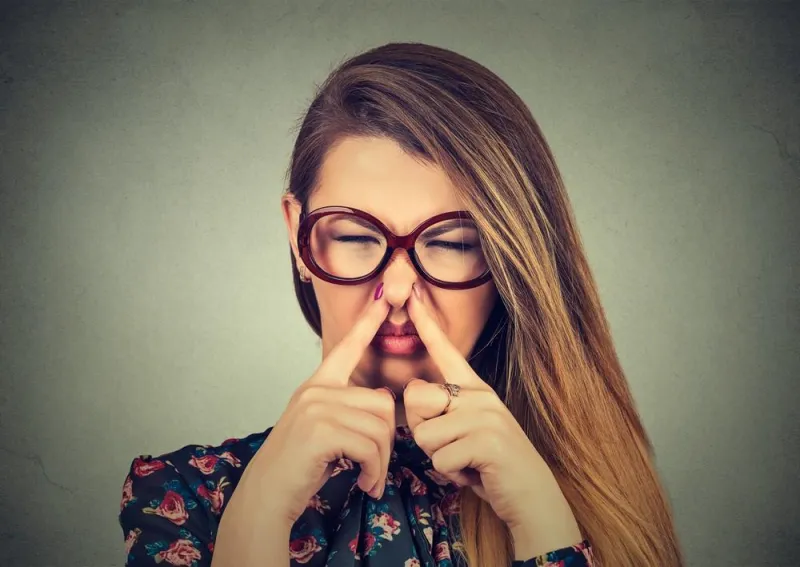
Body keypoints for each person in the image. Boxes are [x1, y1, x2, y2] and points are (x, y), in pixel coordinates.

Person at [118, 42, 685, 567]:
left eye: (452, 243)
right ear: (298, 237)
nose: (395, 290)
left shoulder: (595, 502)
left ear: (509, 261)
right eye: (355, 236)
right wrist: (255, 523)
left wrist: (543, 524)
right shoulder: (184, 500)